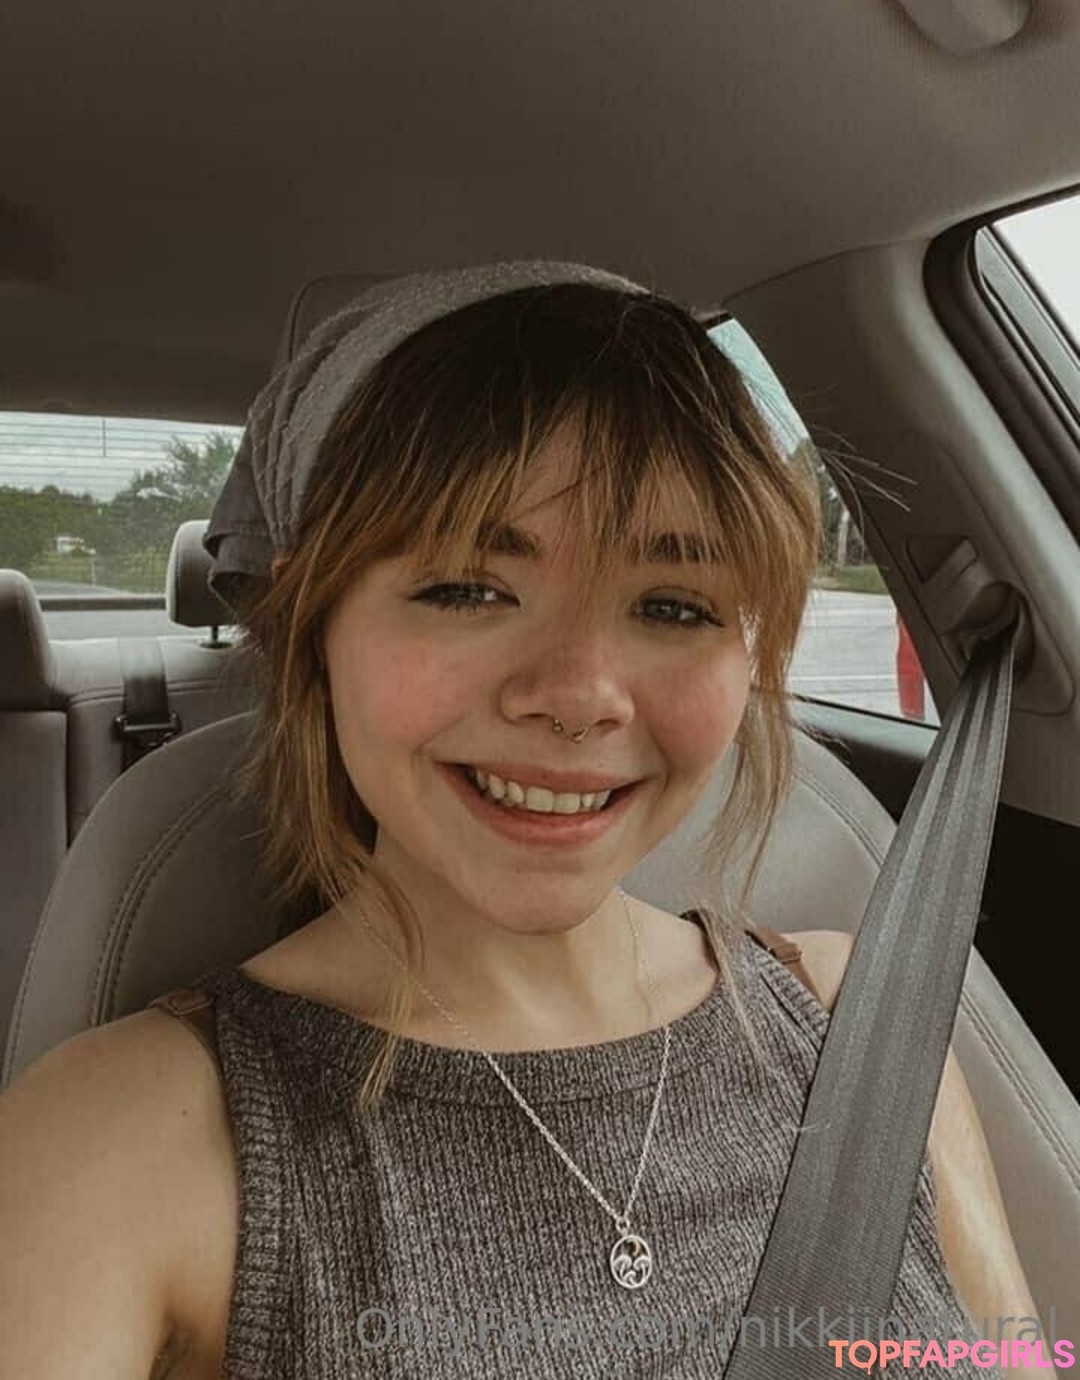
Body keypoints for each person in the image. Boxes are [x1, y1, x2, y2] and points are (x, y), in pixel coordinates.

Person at [0, 263, 1051, 1378]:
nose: (580, 696)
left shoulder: (863, 1021)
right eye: (467, 589)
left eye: (672, 606)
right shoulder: (122, 1141)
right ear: (316, 630)